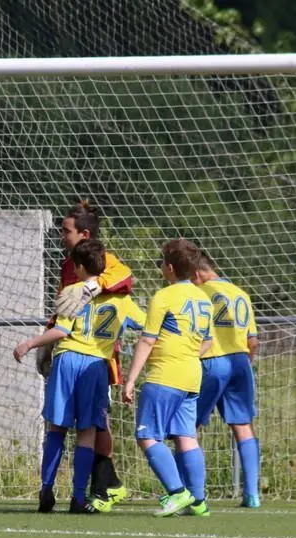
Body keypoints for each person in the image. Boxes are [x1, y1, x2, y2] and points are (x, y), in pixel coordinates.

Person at [15, 239, 145, 514]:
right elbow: (148, 326)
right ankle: (77, 497)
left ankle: (46, 490)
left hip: (67, 361)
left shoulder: (72, 291)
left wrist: (30, 343)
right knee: (87, 433)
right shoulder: (122, 300)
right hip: (95, 366)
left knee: (56, 429)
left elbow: (61, 331)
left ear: (80, 267)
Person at [40, 199, 134, 505]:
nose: (61, 235)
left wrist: (95, 285)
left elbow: (125, 277)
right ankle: (102, 484)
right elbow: (63, 308)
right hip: (72, 351)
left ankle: (104, 485)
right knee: (81, 425)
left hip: (98, 358)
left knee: (95, 424)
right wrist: (47, 343)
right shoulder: (68, 265)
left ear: (84, 234)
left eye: (66, 230)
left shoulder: (107, 261)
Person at [123, 239, 213, 517]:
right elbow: (208, 341)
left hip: (165, 375)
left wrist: (130, 379)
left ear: (169, 268)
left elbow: (147, 340)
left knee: (147, 435)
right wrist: (187, 355)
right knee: (186, 437)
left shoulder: (164, 297)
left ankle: (177, 492)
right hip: (192, 375)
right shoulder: (204, 299)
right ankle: (198, 501)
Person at [193, 252, 262, 508]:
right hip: (240, 362)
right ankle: (252, 493)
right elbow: (253, 341)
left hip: (211, 361)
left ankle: (193, 492)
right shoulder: (241, 293)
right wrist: (246, 363)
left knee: (188, 427)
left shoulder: (199, 293)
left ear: (196, 274)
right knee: (243, 425)